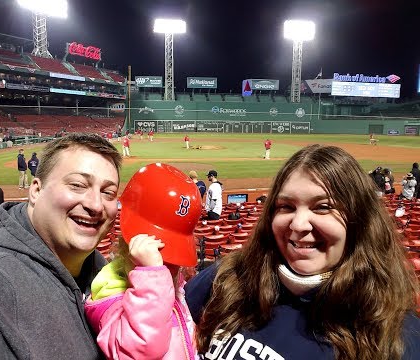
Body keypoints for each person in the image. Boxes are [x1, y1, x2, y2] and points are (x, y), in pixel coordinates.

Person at [186, 144, 420, 360]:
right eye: (286, 206)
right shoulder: (229, 276)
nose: (298, 225)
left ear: (359, 220)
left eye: (323, 207)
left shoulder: (399, 337)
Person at [0, 133, 122, 358]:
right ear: (36, 190)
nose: (95, 204)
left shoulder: (106, 275)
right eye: (77, 185)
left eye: (108, 192)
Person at [85, 163, 201, 359]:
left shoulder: (168, 282)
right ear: (130, 246)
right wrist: (151, 274)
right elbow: (138, 351)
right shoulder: (111, 291)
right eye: (159, 252)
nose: (169, 264)